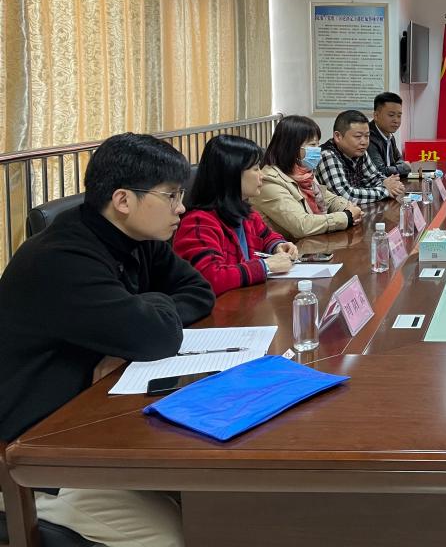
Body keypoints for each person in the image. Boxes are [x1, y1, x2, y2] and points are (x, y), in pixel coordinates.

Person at [0, 133, 215, 547]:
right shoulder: (62, 258)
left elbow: (199, 291)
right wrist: (148, 310)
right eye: (171, 196)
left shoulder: (136, 238)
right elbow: (155, 337)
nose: (182, 208)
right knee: (175, 536)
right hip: (34, 456)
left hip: (91, 423)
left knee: (222, 503)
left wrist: (138, 314)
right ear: (123, 200)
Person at [174, 135, 299, 296]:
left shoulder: (247, 215)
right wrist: (266, 266)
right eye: (256, 168)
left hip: (247, 301)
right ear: (231, 173)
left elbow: (267, 236)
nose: (262, 175)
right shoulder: (198, 223)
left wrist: (278, 246)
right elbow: (212, 278)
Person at [250, 115, 362, 241]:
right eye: (312, 144)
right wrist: (346, 217)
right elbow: (302, 225)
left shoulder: (304, 173)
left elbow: (329, 199)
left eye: (318, 144)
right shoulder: (269, 181)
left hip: (311, 243)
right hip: (286, 248)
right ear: (291, 147)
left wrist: (348, 208)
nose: (318, 150)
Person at [316, 110, 405, 205]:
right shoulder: (327, 155)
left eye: (367, 136)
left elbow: (374, 179)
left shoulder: (360, 152)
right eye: (358, 136)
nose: (364, 142)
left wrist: (391, 185)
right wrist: (385, 191)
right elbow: (344, 195)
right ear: (338, 136)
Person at [367, 91, 412, 179]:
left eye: (399, 116)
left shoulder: (390, 136)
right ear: (376, 115)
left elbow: (399, 160)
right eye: (391, 115)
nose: (396, 120)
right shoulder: (368, 136)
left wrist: (400, 167)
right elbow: (380, 172)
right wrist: (404, 168)